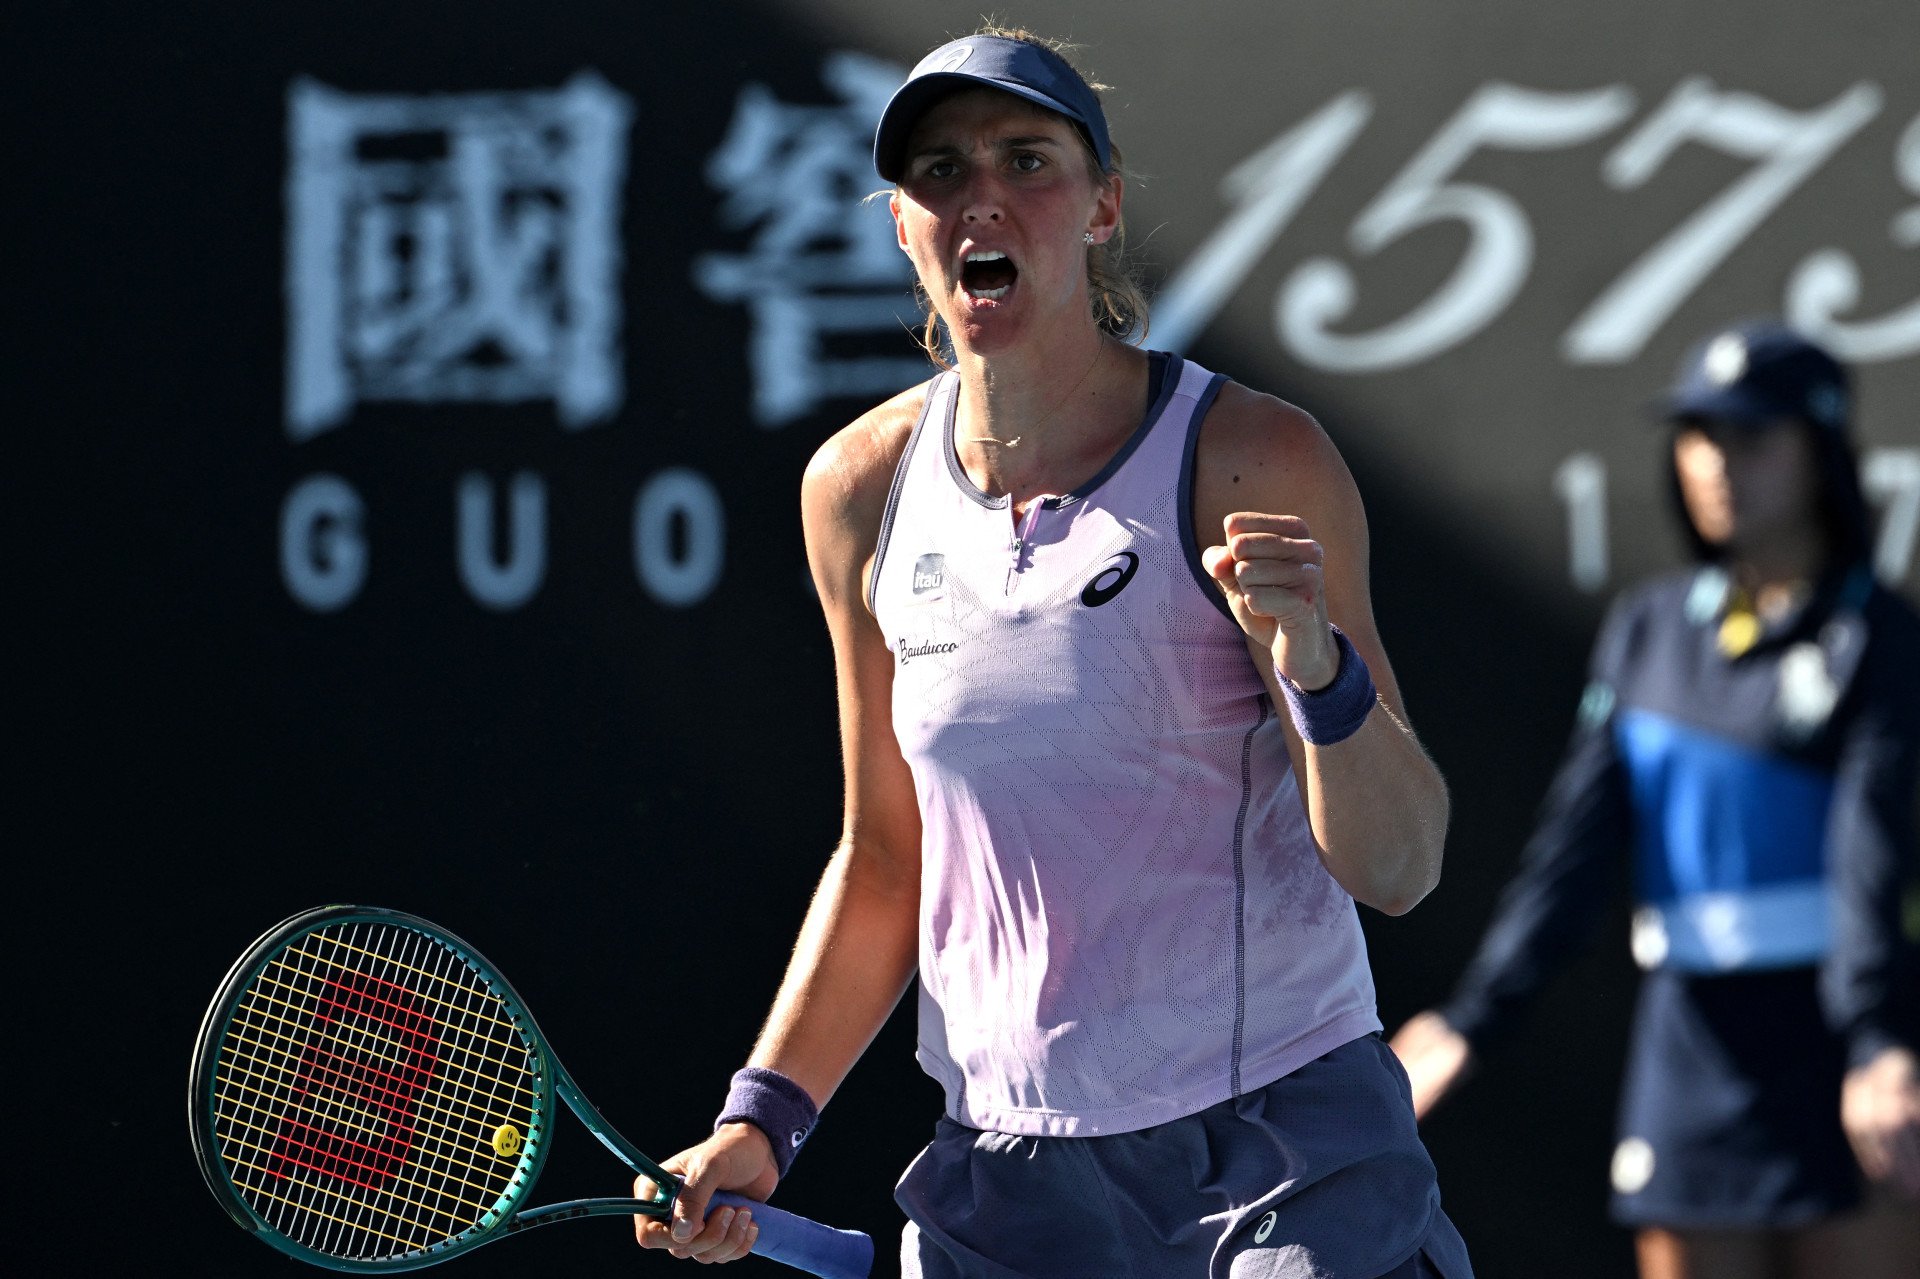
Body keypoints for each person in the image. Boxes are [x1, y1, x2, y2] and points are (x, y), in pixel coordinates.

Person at [637, 27, 1472, 1277]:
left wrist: (1317, 672)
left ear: (1101, 207)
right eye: (938, 172)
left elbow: (1402, 865)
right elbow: (886, 853)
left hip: (1277, 1157)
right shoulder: (857, 493)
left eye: (1028, 160)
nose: (982, 198)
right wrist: (764, 1115)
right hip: (1012, 1180)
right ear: (903, 227)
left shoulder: (1249, 458)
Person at [1389, 321, 1920, 1279]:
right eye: (1700, 437)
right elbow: (1575, 855)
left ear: (1822, 451)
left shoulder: (1880, 637)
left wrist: (1881, 1044)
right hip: (1691, 1059)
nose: (1719, 465)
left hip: (1840, 1059)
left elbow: (1871, 858)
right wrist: (1472, 1015)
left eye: (1754, 438)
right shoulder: (1647, 630)